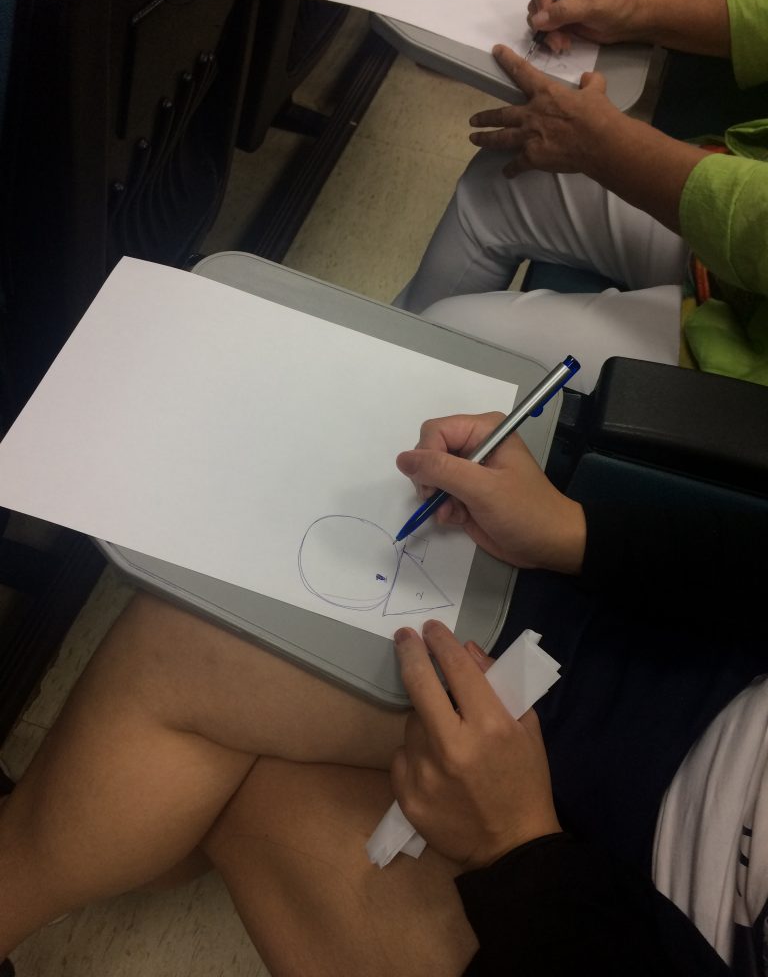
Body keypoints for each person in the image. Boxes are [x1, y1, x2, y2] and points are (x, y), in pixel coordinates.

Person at [0, 409, 765, 976]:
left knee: (242, 775)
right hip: (693, 674)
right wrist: (574, 532)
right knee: (204, 633)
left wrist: (519, 849)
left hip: (622, 934)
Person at [396, 0, 768, 393]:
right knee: (510, 171)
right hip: (743, 226)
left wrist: (606, 147)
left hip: (748, 361)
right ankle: (374, 352)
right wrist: (636, 10)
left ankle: (390, 392)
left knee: (450, 335)